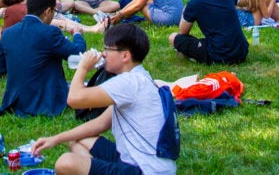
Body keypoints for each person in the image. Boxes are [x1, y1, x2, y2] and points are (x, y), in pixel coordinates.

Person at [29, 23, 178, 175]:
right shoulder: (139, 77)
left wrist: (83, 67)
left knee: (65, 163)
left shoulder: (128, 83)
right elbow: (100, 124)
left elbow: (73, 99)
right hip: (140, 161)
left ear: (125, 55)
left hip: (146, 170)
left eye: (108, 48)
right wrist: (55, 139)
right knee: (79, 142)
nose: (104, 53)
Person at [0, 0, 88, 117]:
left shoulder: (8, 33)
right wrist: (78, 35)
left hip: (15, 102)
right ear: (48, 11)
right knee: (86, 86)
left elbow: (1, 68)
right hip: (45, 101)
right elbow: (77, 52)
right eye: (54, 11)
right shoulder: (50, 33)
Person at [169, 0, 248, 65]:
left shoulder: (193, 4)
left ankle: (191, 55)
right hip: (241, 51)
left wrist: (185, 10)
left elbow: (183, 32)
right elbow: (245, 1)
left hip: (218, 54)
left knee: (173, 37)